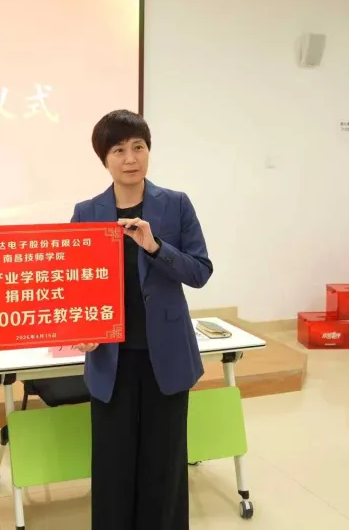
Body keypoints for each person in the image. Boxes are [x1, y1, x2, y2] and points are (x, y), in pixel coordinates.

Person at [71, 109, 213, 530]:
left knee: (164, 466)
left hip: (165, 356)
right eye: (118, 150)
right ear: (104, 159)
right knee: (113, 468)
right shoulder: (87, 212)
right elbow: (73, 285)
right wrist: (81, 328)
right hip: (110, 359)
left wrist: (155, 247)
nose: (130, 158)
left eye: (138, 147)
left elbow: (200, 272)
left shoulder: (176, 204)